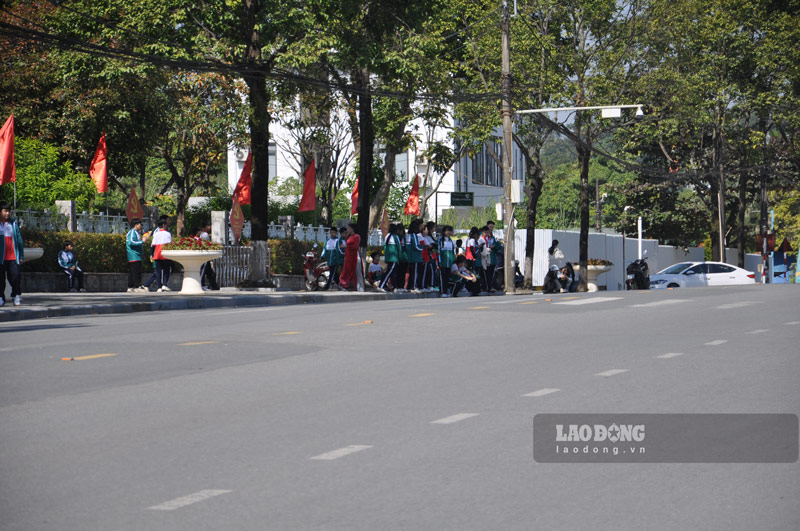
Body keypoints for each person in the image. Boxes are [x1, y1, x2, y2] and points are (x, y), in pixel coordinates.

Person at [0, 202, 24, 307]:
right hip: (1, 257)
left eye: (9, 211)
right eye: (5, 211)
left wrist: (21, 255)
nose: (7, 213)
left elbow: (18, 239)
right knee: (0, 279)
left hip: (13, 256)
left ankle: (16, 295)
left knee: (16, 277)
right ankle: (1, 298)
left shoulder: (13, 223)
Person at [143, 215, 173, 292]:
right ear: (164, 225)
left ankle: (159, 287)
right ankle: (164, 284)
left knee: (158, 271)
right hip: (165, 254)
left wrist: (151, 254)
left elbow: (153, 245)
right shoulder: (168, 234)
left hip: (157, 254)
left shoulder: (156, 233)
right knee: (166, 270)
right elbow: (170, 245)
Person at [338, 223, 362, 291]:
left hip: (355, 256)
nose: (348, 230)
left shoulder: (357, 236)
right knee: (347, 271)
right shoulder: (349, 237)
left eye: (349, 228)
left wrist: (346, 246)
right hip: (349, 256)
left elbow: (356, 246)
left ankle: (360, 288)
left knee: (358, 272)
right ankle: (344, 284)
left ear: (352, 229)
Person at [125, 218, 147, 292]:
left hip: (136, 255)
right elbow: (131, 242)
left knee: (132, 272)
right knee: (136, 271)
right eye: (140, 224)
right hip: (134, 255)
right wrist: (142, 242)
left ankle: (130, 286)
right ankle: (137, 286)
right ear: (136, 225)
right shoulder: (132, 232)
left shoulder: (135, 232)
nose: (141, 226)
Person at [405, 219, 427, 293]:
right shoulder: (414, 235)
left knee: (412, 273)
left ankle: (409, 286)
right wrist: (423, 247)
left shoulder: (408, 235)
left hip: (411, 257)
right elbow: (416, 246)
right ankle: (414, 287)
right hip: (416, 257)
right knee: (415, 273)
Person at [380, 223, 402, 292]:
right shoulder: (395, 237)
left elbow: (385, 247)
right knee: (389, 272)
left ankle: (395, 287)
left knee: (393, 273)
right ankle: (382, 285)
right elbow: (399, 248)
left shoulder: (387, 236)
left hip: (389, 257)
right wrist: (399, 257)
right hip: (394, 258)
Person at [198, 221, 219, 290]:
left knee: (209, 272)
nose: (210, 227)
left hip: (205, 256)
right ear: (206, 226)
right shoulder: (205, 235)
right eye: (209, 226)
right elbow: (206, 245)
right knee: (203, 271)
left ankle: (214, 286)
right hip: (205, 256)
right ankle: (201, 284)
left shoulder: (202, 234)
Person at [478, 225, 498, 293]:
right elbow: (480, 249)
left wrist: (489, 248)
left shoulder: (486, 239)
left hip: (487, 257)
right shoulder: (480, 239)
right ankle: (487, 287)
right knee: (485, 273)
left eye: (487, 232)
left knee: (488, 273)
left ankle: (489, 287)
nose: (487, 234)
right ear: (482, 232)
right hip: (483, 257)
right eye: (485, 232)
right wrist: (487, 249)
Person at [437, 225, 456, 292]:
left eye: (449, 231)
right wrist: (439, 261)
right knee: (443, 277)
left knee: (448, 277)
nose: (448, 232)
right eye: (447, 231)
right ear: (443, 232)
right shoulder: (440, 240)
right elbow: (438, 252)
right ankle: (443, 291)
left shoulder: (451, 241)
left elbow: (452, 252)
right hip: (443, 263)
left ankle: (447, 290)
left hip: (449, 263)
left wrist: (453, 261)